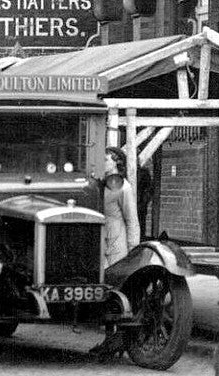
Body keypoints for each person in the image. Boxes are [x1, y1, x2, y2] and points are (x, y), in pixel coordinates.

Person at [90, 146, 143, 361]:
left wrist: (133, 249)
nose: (101, 161)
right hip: (99, 240)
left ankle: (116, 340)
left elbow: (132, 219)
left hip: (116, 242)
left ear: (116, 162)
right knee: (103, 291)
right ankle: (109, 340)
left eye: (106, 158)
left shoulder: (123, 187)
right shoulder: (97, 183)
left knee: (117, 290)